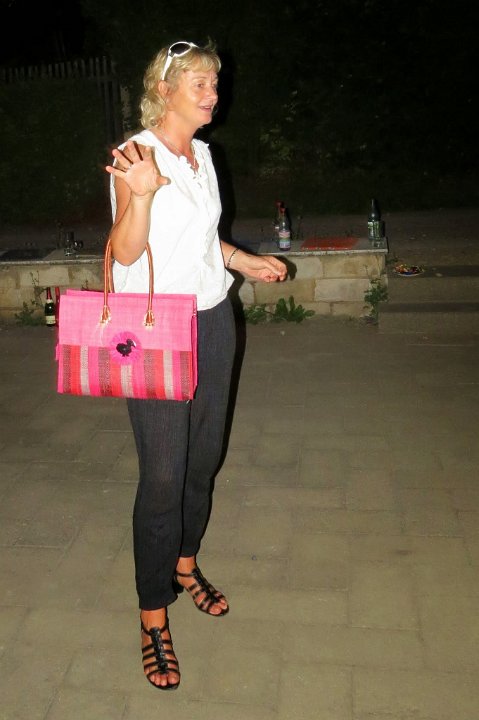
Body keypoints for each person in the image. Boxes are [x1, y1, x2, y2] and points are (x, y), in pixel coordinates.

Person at [105, 40, 287, 691]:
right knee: (162, 476)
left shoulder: (202, 154)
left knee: (203, 460)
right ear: (165, 89)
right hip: (155, 327)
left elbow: (202, 239)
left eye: (215, 83)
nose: (213, 94)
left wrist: (242, 261)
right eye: (200, 84)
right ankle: (153, 614)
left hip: (212, 319)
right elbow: (126, 253)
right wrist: (140, 196)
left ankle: (185, 564)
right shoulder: (135, 155)